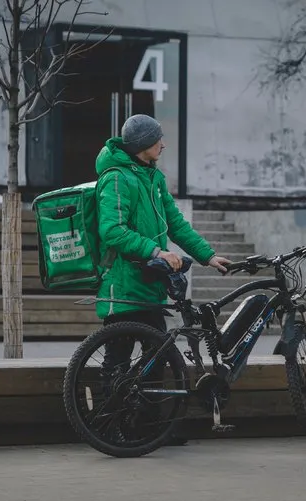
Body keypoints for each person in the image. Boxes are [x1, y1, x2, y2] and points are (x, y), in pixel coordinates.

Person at [93, 114, 231, 441]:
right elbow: (112, 231)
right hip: (123, 286)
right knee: (117, 360)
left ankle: (148, 427)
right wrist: (155, 253)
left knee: (157, 358)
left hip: (150, 286)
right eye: (158, 140)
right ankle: (106, 429)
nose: (163, 144)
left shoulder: (153, 178)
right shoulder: (116, 178)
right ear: (143, 145)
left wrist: (207, 256)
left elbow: (177, 224)